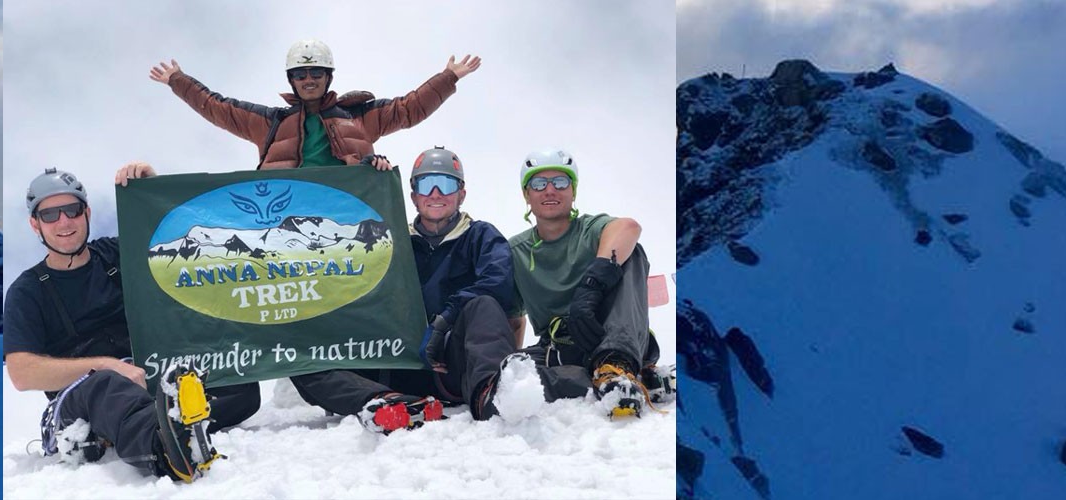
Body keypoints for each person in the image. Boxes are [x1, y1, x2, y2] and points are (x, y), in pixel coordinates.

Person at [4, 167, 260, 483]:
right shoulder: (28, 291)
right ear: (35, 224)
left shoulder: (115, 254)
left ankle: (163, 418)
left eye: (71, 210)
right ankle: (165, 446)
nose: (64, 222)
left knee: (238, 383)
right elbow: (21, 372)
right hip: (80, 397)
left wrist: (150, 187)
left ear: (87, 212)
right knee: (104, 384)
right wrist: (104, 365)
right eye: (50, 215)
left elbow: (176, 242)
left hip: (145, 373)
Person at [252, 146, 514, 433]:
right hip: (394, 364)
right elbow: (339, 254)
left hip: (450, 364)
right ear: (413, 195)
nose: (436, 194)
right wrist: (367, 184)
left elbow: (498, 283)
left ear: (461, 194)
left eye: (447, 184)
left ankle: (488, 396)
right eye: (426, 184)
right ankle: (382, 401)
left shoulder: (480, 236)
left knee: (484, 305)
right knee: (307, 344)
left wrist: (445, 321)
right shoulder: (391, 240)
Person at [507, 149, 677, 418]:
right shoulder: (515, 251)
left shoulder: (590, 229)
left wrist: (591, 285)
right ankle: (640, 377)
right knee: (509, 371)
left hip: (608, 332)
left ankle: (616, 366)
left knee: (631, 252)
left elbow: (628, 227)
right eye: (539, 184)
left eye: (560, 182)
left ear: (573, 192)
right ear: (527, 195)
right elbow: (514, 319)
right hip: (561, 348)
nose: (549, 190)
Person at [149, 39, 480, 170]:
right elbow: (218, 108)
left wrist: (448, 77)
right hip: (290, 213)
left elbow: (409, 109)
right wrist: (179, 81)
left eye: (316, 72)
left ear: (328, 76)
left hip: (348, 210)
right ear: (292, 79)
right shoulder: (271, 122)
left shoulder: (358, 116)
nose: (309, 79)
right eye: (301, 73)